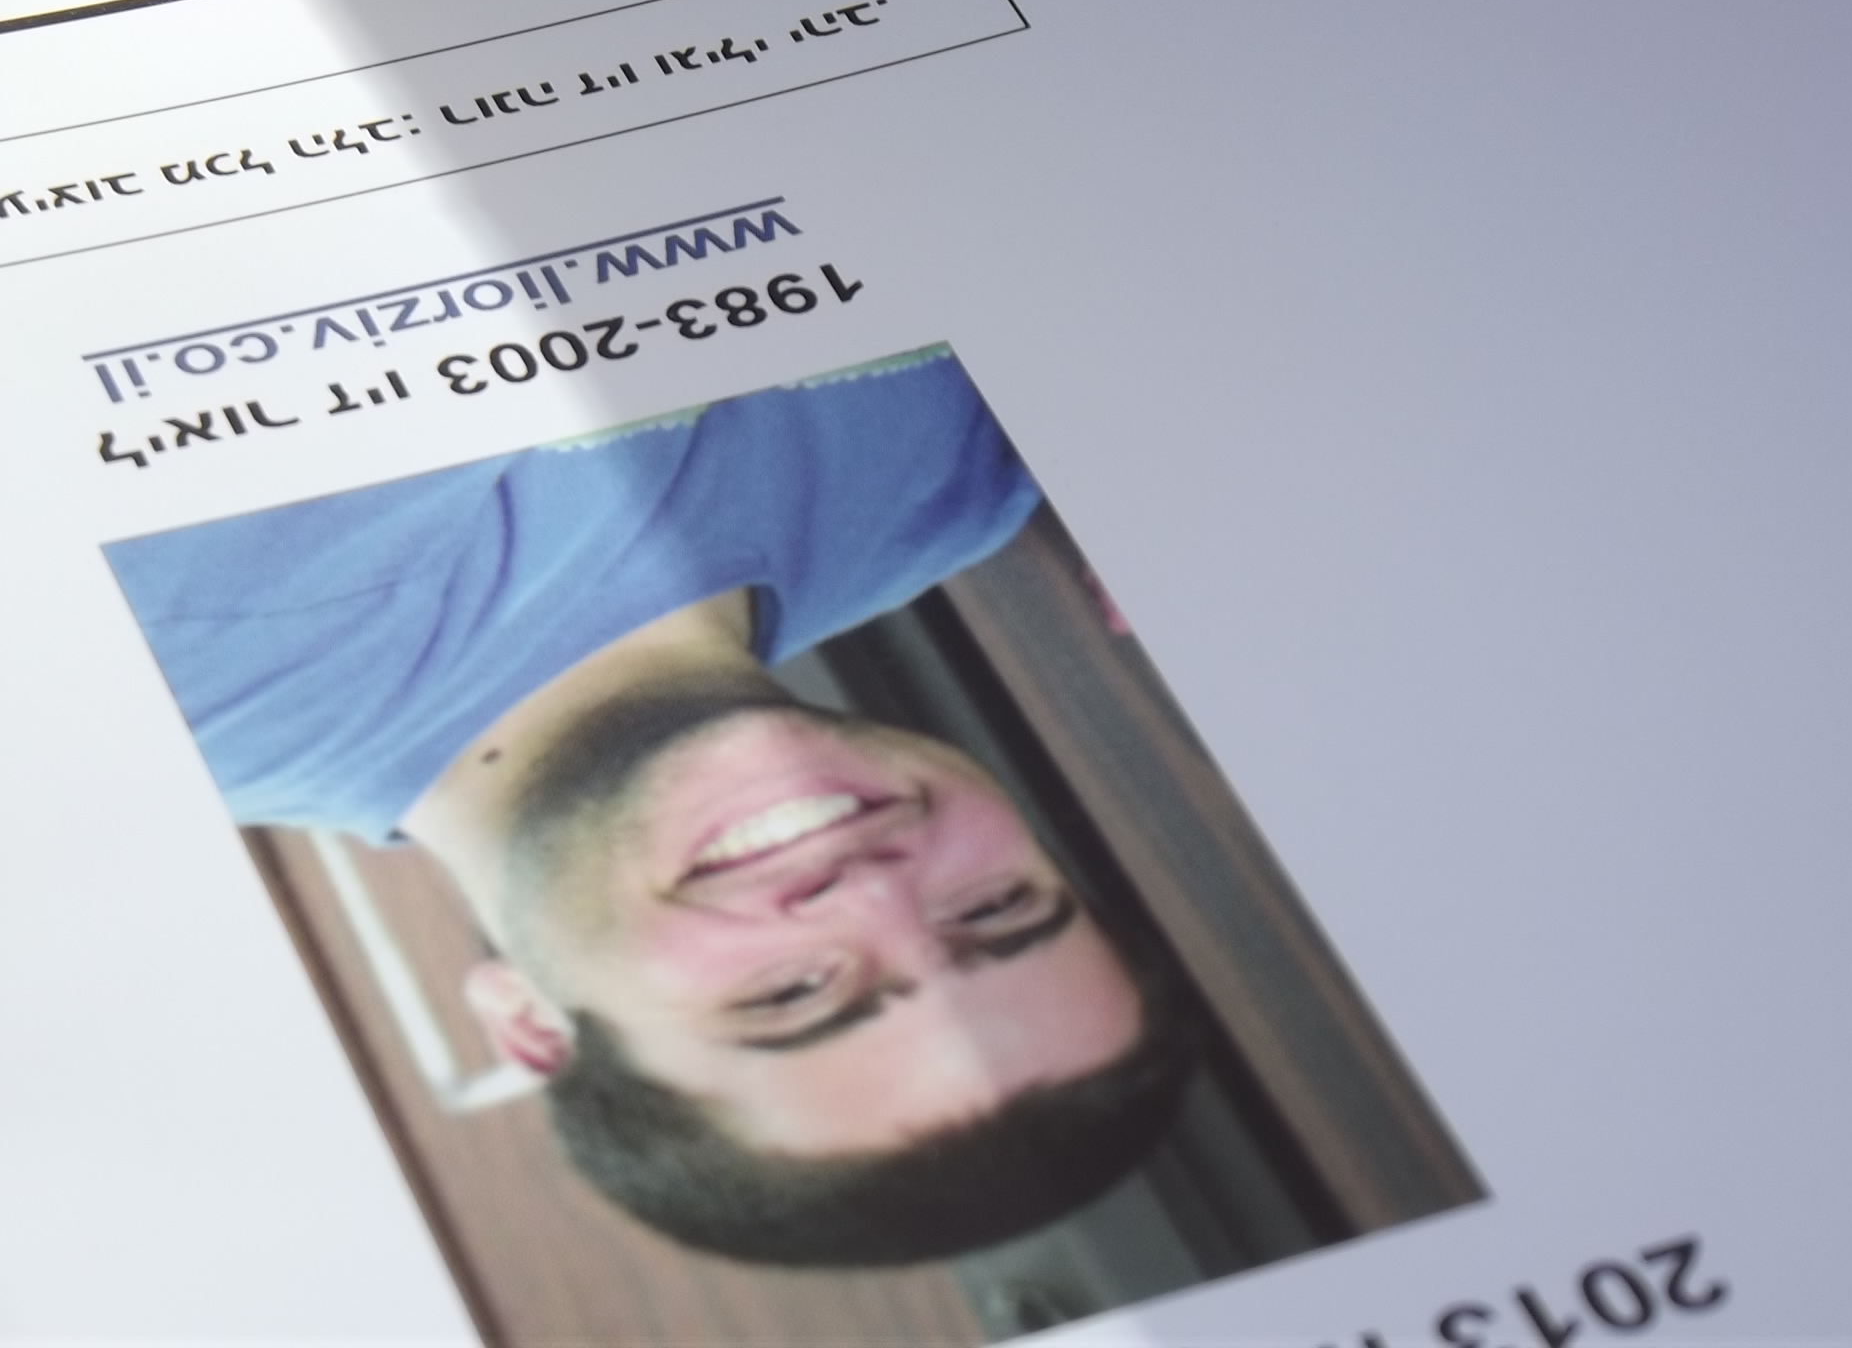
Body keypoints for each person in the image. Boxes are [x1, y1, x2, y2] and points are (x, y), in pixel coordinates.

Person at [104, 347, 1194, 1266]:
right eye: (997, 910)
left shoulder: (138, 662)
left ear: (534, 1028)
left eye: (793, 992)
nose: (875, 895)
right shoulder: (964, 482)